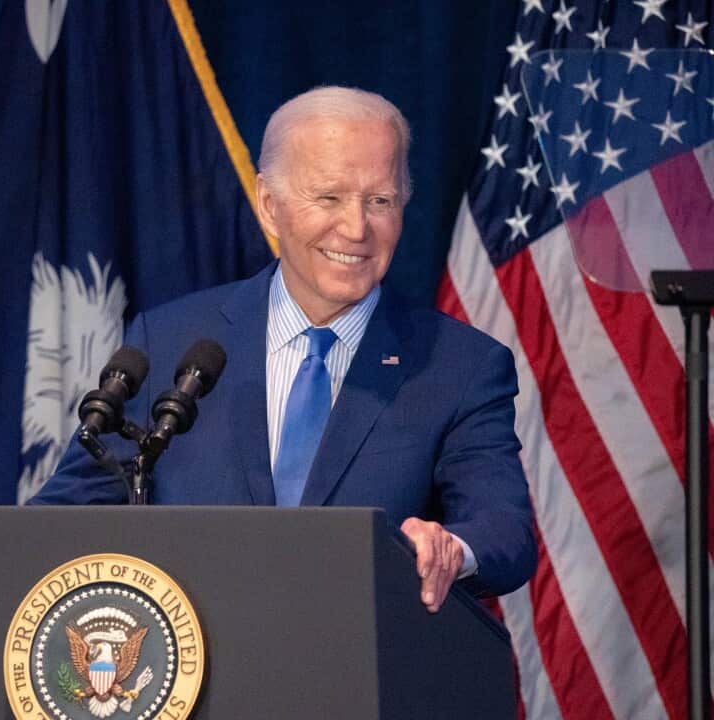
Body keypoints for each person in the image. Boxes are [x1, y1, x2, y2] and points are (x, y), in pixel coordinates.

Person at [30, 86, 536, 612]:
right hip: (195, 676)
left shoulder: (461, 366)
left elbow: (503, 531)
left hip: (365, 676)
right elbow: (66, 512)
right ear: (271, 207)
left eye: (379, 200)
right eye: (330, 197)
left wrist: (451, 548)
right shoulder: (169, 341)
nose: (357, 227)